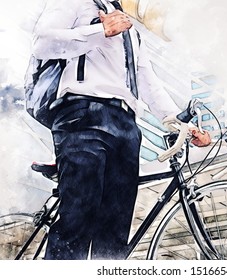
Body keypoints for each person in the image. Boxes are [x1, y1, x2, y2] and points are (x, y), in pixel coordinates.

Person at [31, 0, 184, 260]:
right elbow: (43, 43)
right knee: (78, 223)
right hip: (83, 114)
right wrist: (98, 31)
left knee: (114, 237)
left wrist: (178, 121)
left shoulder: (131, 29)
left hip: (126, 126)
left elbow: (147, 80)